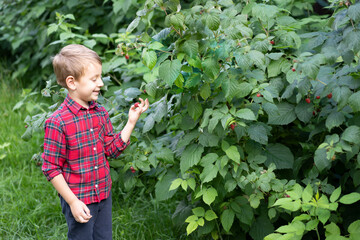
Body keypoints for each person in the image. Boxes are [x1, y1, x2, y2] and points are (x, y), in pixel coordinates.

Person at [41, 44, 149, 240]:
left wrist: (131, 122)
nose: (100, 83)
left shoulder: (100, 113)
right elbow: (51, 167)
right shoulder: (58, 122)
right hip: (79, 198)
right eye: (94, 79)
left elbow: (112, 149)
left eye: (100, 77)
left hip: (102, 195)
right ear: (72, 82)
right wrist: (73, 202)